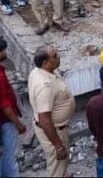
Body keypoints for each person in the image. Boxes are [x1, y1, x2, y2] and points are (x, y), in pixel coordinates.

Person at [28, 45, 76, 177]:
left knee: (60, 165)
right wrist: (58, 146)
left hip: (57, 128)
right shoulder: (45, 86)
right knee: (57, 166)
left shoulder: (39, 71)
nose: (59, 56)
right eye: (55, 55)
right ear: (45, 63)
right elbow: (44, 119)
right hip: (54, 131)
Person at [0, 37, 25, 177]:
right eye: (4, 50)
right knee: (9, 156)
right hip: (5, 121)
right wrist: (18, 124)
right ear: (0, 53)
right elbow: (5, 105)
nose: (6, 53)